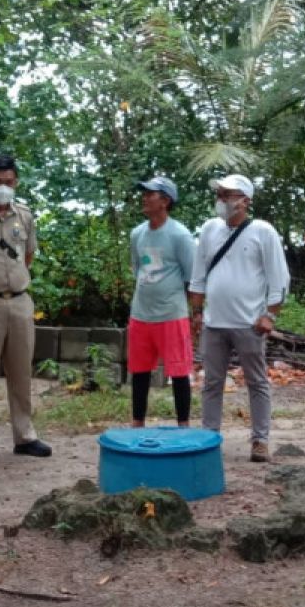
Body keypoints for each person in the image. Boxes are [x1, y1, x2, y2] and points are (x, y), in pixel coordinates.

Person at [189, 174, 289, 463]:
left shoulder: (263, 231)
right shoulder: (209, 230)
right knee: (212, 383)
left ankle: (260, 440)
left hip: (249, 323)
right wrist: (196, 313)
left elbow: (279, 279)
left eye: (228, 194)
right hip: (214, 322)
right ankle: (209, 438)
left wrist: (269, 315)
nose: (221, 200)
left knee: (256, 381)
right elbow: (198, 276)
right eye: (219, 194)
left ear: (245, 201)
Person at [0, 154, 52, 462]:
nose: (3, 187)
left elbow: (27, 256)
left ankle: (25, 435)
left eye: (9, 182)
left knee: (21, 370)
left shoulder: (24, 215)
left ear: (16, 182)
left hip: (18, 301)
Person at [126, 176, 195, 429]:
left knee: (178, 372)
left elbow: (192, 276)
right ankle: (137, 423)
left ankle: (184, 425)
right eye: (144, 193)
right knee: (140, 371)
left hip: (171, 314)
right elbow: (137, 269)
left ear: (165, 201)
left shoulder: (180, 235)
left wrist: (192, 312)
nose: (144, 198)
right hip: (141, 313)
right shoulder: (137, 234)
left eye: (150, 194)